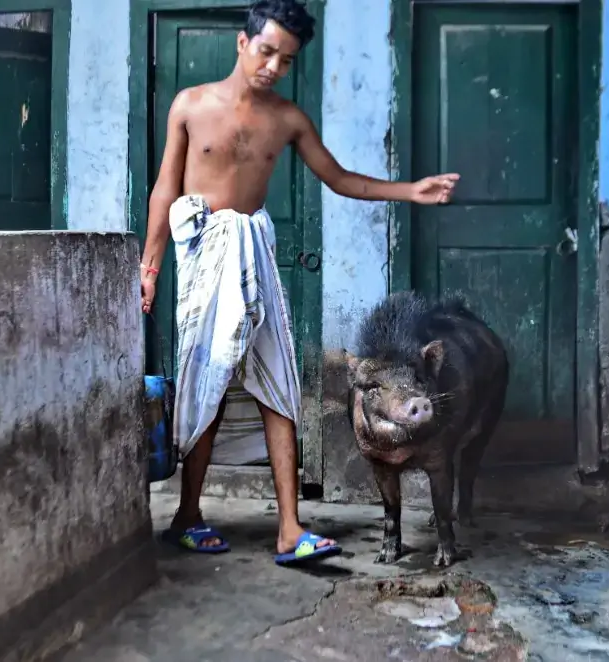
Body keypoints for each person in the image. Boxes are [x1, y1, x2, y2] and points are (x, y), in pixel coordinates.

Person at [139, 0, 459, 566]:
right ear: (243, 44)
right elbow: (165, 189)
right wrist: (150, 266)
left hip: (254, 254)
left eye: (285, 60)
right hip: (204, 255)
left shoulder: (287, 120)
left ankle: (290, 529)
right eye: (266, 52)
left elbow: (338, 179)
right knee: (206, 387)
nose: (273, 67)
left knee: (281, 384)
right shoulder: (190, 106)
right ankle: (187, 514)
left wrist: (411, 191)